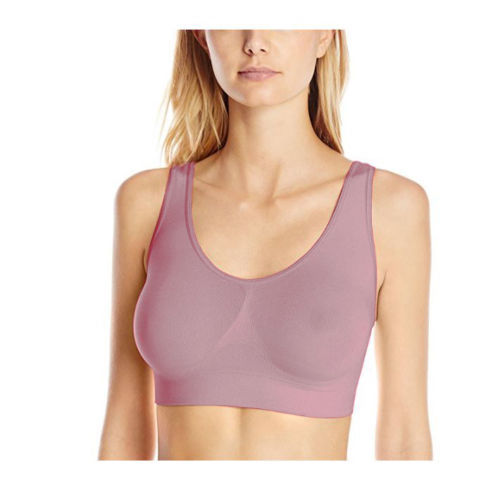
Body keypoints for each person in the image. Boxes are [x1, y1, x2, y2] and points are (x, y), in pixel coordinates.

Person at [98, 29, 432, 460]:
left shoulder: (390, 209)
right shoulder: (146, 202)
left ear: (324, 35)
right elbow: (124, 426)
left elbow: (404, 436)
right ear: (202, 35)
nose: (255, 41)